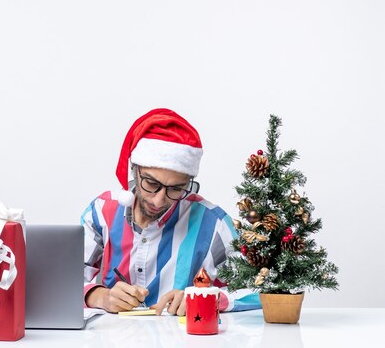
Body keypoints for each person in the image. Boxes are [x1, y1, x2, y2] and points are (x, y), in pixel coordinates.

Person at [82, 108, 261, 315]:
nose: (158, 200)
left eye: (176, 189)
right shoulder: (102, 211)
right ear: (134, 169)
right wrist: (100, 297)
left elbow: (263, 290)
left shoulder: (213, 223)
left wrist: (205, 298)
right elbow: (59, 280)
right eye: (150, 183)